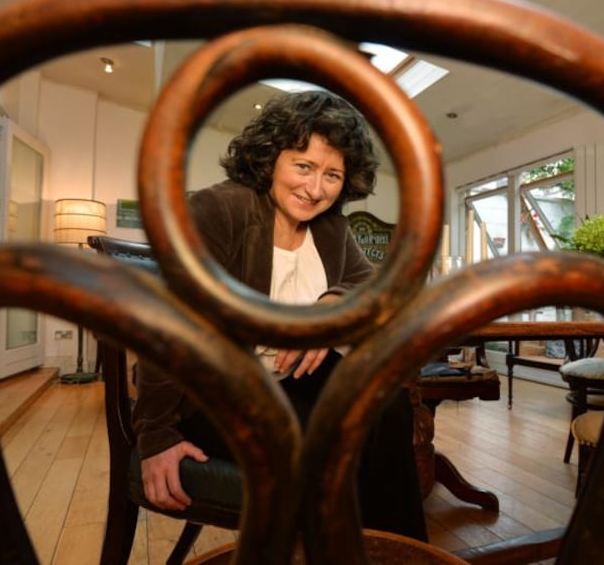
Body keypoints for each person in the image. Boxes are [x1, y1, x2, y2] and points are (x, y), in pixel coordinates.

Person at [132, 90, 428, 541]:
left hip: (288, 382)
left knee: (386, 407)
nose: (315, 189)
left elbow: (377, 286)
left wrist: (328, 311)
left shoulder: (332, 227)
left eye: (332, 175)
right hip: (215, 394)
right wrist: (155, 435)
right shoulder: (217, 210)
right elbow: (166, 323)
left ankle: (397, 553)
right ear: (270, 157)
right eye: (304, 166)